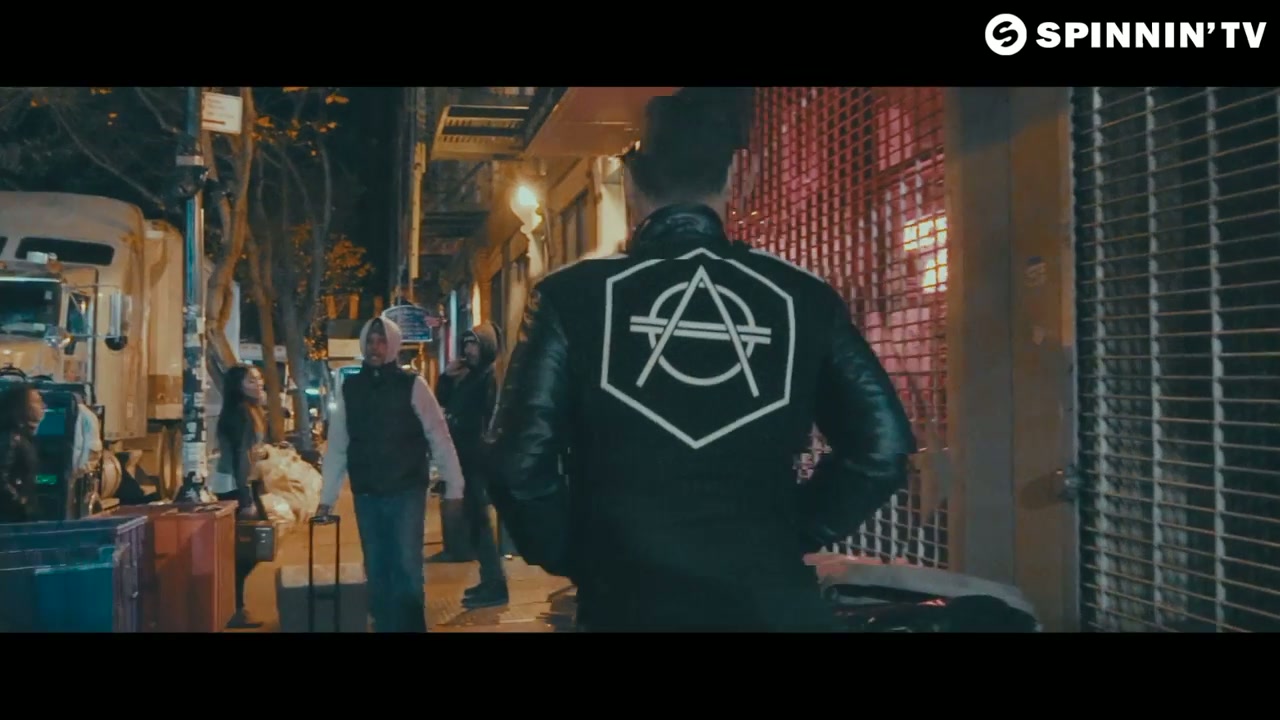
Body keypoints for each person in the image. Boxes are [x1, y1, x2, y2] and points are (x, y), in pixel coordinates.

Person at [488, 87, 917, 632]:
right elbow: (881, 448)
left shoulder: (570, 297)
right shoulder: (803, 298)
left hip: (630, 607)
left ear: (630, 181)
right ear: (738, 175)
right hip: (772, 605)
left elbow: (518, 463)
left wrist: (583, 554)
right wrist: (790, 532)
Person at [318, 317, 465, 633]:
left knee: (406, 570)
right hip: (367, 494)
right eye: (370, 342)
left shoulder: (413, 385)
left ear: (394, 345)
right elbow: (339, 444)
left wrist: (455, 486)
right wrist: (326, 498)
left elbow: (438, 435)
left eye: (382, 341)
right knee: (377, 571)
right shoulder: (350, 388)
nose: (375, 348)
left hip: (406, 491)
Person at [433, 322, 509, 609]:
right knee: (475, 523)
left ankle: (495, 583)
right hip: (463, 459)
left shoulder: (488, 378)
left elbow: (487, 421)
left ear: (486, 347)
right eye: (466, 344)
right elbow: (444, 401)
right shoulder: (468, 376)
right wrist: (446, 377)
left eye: (474, 344)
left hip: (475, 461)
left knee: (480, 522)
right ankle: (489, 579)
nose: (468, 349)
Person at [211, 364, 270, 629]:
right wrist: (245, 499)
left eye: (259, 379)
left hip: (243, 485)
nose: (258, 383)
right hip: (234, 488)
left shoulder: (251, 410)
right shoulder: (240, 413)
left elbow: (250, 452)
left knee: (251, 547)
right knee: (247, 550)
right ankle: (233, 608)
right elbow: (240, 456)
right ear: (238, 386)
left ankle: (234, 606)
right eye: (251, 380)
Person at [0, 381, 44, 523]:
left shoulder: (23, 436)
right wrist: (21, 503)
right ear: (22, 406)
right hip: (11, 521)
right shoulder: (11, 438)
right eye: (37, 401)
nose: (43, 406)